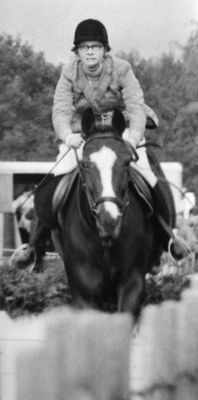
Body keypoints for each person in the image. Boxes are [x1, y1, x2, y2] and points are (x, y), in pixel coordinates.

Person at [51, 18, 189, 262]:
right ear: (78, 52)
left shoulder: (122, 68)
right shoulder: (69, 71)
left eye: (95, 46)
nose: (90, 51)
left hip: (121, 126)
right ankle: (35, 243)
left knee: (147, 170)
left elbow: (136, 106)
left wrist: (134, 138)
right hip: (83, 130)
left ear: (105, 50)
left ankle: (169, 235)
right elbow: (60, 109)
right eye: (84, 47)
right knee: (58, 173)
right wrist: (66, 135)